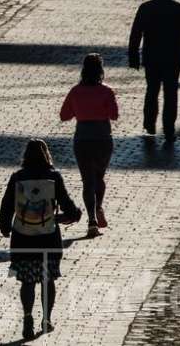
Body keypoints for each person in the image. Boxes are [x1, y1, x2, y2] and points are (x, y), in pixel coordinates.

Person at [0, 140, 81, 340]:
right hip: (48, 237)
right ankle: (46, 319)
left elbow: (7, 205)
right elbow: (67, 205)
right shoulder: (53, 177)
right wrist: (74, 214)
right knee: (48, 279)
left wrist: (4, 226)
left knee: (27, 281)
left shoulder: (17, 177)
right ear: (46, 155)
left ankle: (27, 317)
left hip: (23, 237)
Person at [128, 0, 180, 144]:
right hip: (172, 58)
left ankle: (149, 125)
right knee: (171, 93)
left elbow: (136, 33)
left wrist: (133, 56)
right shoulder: (179, 9)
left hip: (151, 58)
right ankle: (169, 129)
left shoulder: (146, 8)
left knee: (152, 91)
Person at [60, 53, 119, 238]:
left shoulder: (75, 91)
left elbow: (64, 115)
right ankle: (99, 206)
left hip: (83, 138)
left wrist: (80, 110)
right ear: (101, 70)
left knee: (87, 180)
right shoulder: (107, 91)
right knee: (99, 177)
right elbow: (115, 115)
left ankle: (91, 219)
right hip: (102, 138)